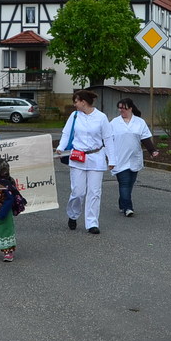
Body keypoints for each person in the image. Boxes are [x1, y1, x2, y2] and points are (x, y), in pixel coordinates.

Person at [56, 90, 114, 235]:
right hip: (78, 157)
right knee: (78, 191)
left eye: (76, 101)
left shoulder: (101, 117)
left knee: (94, 192)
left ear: (83, 102)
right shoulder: (74, 115)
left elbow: (108, 139)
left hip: (96, 157)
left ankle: (92, 223)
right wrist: (61, 147)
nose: (74, 104)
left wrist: (112, 159)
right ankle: (73, 215)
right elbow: (67, 133)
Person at [108, 98, 158, 217]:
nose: (121, 110)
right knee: (124, 183)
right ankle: (128, 208)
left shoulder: (139, 122)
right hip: (119, 158)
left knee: (130, 183)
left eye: (123, 108)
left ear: (130, 108)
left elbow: (145, 138)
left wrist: (152, 151)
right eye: (119, 108)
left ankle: (122, 203)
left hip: (134, 158)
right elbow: (107, 140)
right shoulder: (114, 123)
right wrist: (109, 158)